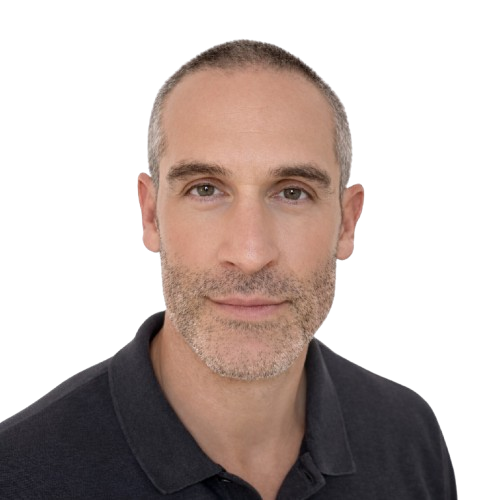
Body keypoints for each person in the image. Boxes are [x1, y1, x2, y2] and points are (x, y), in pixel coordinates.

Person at [0, 39, 457, 499]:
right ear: (151, 215)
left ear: (347, 223)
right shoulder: (17, 473)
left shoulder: (409, 436)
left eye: (293, 192)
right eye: (205, 189)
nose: (251, 253)